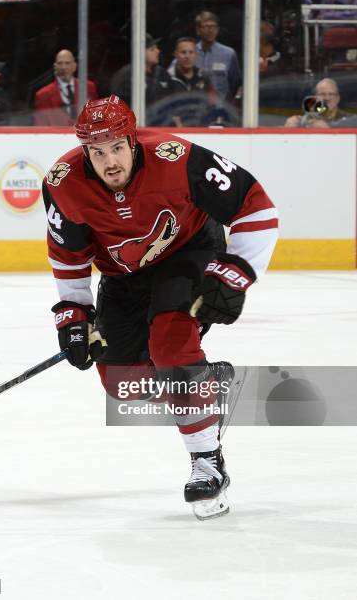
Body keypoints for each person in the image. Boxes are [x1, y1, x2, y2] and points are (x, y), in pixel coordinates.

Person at [42, 95, 278, 520]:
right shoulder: (63, 183)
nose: (109, 161)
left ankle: (207, 463)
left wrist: (234, 273)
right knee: (121, 384)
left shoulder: (178, 158)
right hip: (122, 275)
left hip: (188, 252)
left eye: (116, 147)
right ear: (84, 152)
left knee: (171, 346)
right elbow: (68, 254)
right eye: (97, 152)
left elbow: (255, 205)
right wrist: (74, 314)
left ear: (132, 141)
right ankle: (209, 385)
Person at [34, 49, 98, 126]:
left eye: (67, 63)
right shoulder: (43, 95)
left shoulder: (88, 87)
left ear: (74, 66)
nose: (63, 67)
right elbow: (41, 127)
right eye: (60, 63)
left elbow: (96, 119)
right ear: (55, 67)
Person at [110, 34, 174, 111]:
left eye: (157, 48)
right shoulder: (125, 76)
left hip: (161, 120)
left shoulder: (162, 73)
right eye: (152, 49)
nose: (158, 51)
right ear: (140, 52)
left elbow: (171, 100)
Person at [166, 37, 215, 126]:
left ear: (196, 55)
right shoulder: (167, 79)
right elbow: (163, 110)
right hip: (174, 133)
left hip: (201, 132)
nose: (187, 56)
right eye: (183, 52)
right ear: (176, 54)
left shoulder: (204, 78)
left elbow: (211, 106)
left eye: (191, 52)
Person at [194, 11, 242, 102]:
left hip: (220, 108)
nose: (210, 30)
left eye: (213, 26)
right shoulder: (189, 52)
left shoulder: (229, 53)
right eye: (206, 26)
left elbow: (235, 84)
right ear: (198, 30)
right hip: (195, 107)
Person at [284, 78, 349, 127]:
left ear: (337, 98)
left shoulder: (348, 120)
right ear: (315, 98)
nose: (327, 98)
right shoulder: (306, 118)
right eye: (322, 94)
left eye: (331, 94)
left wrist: (328, 130)